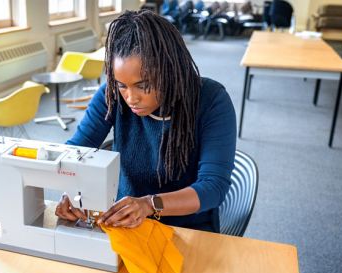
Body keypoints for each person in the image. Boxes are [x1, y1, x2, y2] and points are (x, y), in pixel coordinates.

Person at [54, 10, 236, 233]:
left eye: (143, 85)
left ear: (170, 69)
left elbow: (214, 187)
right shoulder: (111, 95)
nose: (131, 98)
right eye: (122, 85)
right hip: (123, 221)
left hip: (188, 227)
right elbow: (76, 149)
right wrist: (71, 190)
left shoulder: (211, 100)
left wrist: (150, 204)